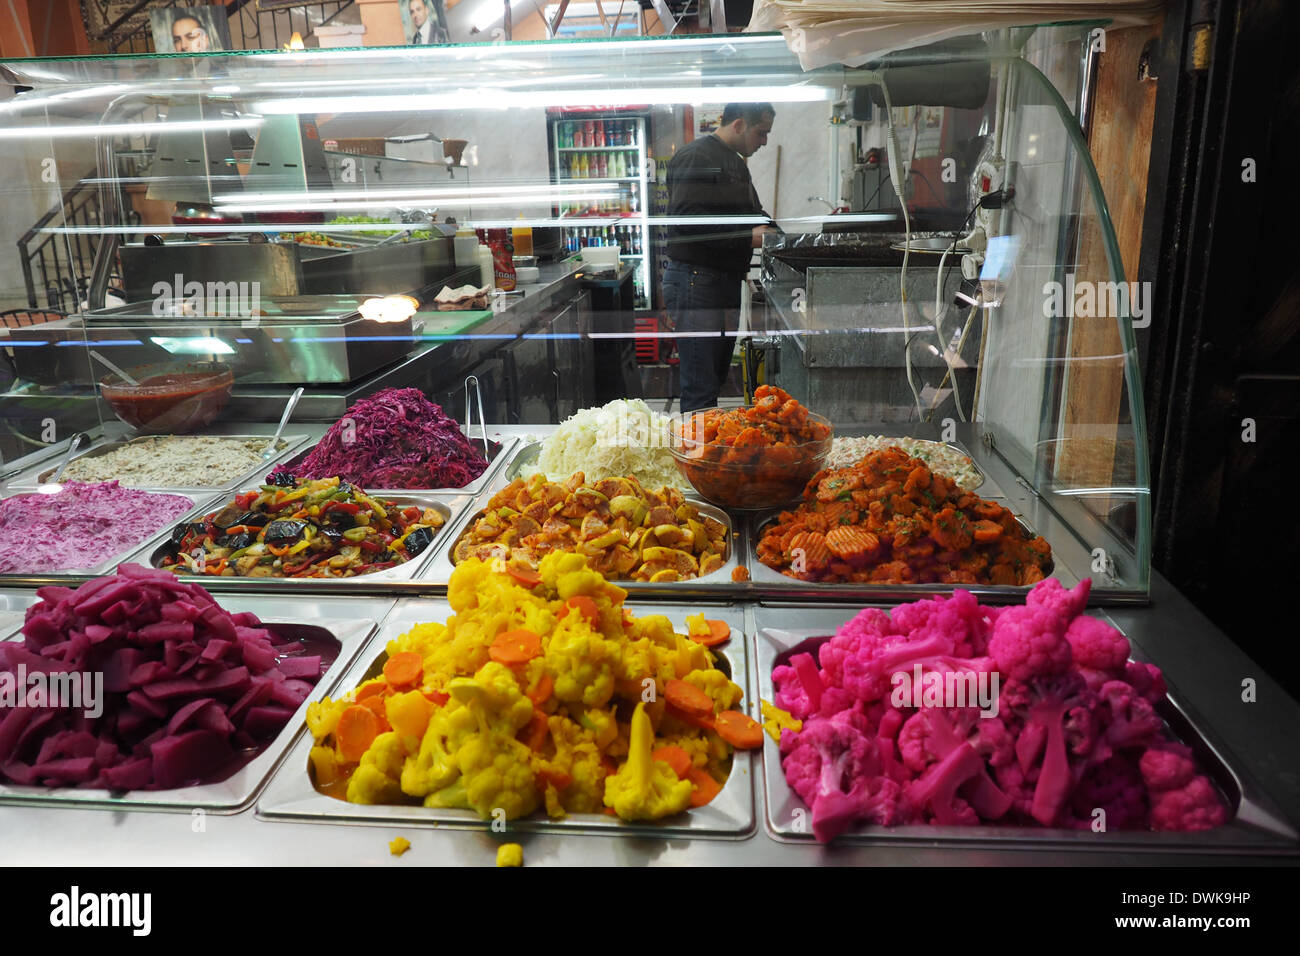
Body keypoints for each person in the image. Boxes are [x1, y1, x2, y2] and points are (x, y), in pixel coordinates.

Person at [664, 103, 776, 413]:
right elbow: (686, 223)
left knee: (713, 378)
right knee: (700, 386)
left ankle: (707, 454)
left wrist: (775, 232)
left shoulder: (735, 163)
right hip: (696, 281)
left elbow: (753, 213)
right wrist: (747, 237)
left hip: (721, 282)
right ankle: (696, 457)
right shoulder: (697, 157)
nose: (764, 141)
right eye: (761, 133)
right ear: (739, 124)